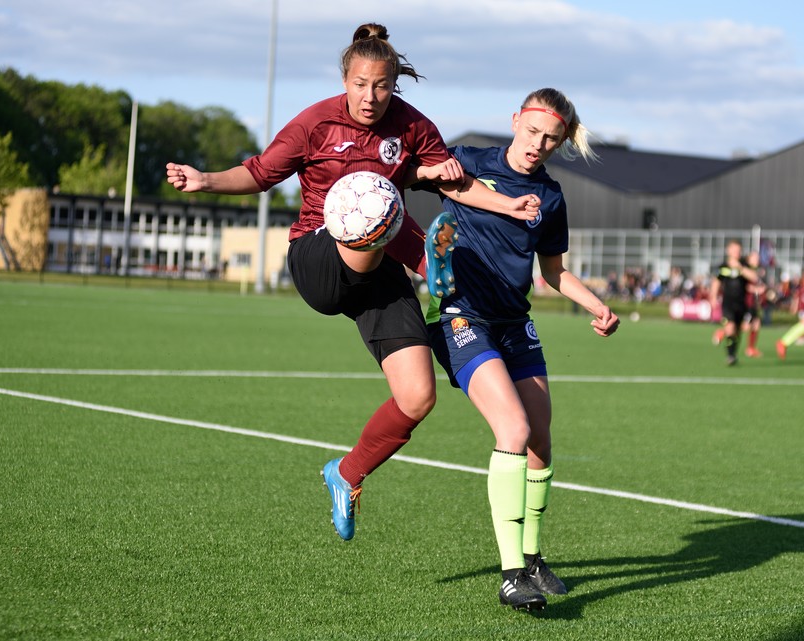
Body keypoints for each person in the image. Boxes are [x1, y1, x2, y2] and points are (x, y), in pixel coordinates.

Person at [165, 23, 540, 542]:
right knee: (375, 200)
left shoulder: (411, 125)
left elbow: (455, 181)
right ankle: (429, 264)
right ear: (345, 80)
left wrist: (507, 205)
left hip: (379, 262)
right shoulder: (315, 123)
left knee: (417, 396)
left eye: (382, 86)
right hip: (317, 255)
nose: (370, 96)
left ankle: (346, 474)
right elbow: (260, 172)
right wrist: (205, 179)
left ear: (394, 85)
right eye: (361, 84)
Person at [420, 88, 620, 611]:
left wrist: (597, 306)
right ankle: (511, 575)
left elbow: (553, 272)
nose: (537, 144)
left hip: (515, 324)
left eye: (550, 138)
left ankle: (532, 558)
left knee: (540, 442)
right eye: (532, 131)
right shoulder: (468, 161)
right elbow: (414, 174)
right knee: (512, 430)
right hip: (462, 317)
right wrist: (432, 180)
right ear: (515, 121)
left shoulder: (550, 197)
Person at [708, 240, 758, 366]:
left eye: (738, 250)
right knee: (730, 328)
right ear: (728, 251)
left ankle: (733, 353)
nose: (736, 252)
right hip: (728, 304)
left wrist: (740, 267)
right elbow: (716, 281)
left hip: (742, 304)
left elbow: (754, 277)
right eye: (734, 250)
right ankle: (730, 356)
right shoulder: (723, 266)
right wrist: (713, 297)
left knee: (737, 332)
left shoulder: (744, 265)